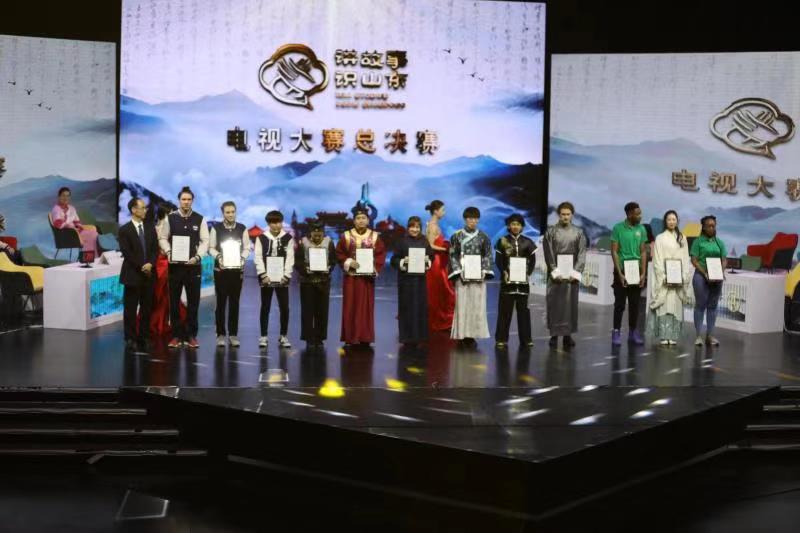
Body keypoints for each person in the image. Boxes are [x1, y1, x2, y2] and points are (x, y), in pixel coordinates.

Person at [158, 186, 209, 349]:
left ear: (192, 201)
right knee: (174, 302)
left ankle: (191, 335)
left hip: (193, 267)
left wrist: (198, 257)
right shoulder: (170, 218)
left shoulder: (200, 219)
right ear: (179, 201)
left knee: (194, 303)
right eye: (183, 199)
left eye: (189, 199)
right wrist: (169, 251)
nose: (186, 202)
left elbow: (205, 241)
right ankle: (176, 336)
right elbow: (163, 238)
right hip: (175, 267)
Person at [336, 207, 387, 345]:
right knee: (350, 306)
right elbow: (339, 253)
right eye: (358, 218)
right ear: (354, 221)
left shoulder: (375, 236)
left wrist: (373, 268)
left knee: (365, 307)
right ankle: (350, 337)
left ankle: (365, 337)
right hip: (351, 278)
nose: (361, 220)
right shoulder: (346, 236)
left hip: (366, 279)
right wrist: (348, 262)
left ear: (368, 220)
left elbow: (380, 255)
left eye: (364, 218)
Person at [542, 202, 587, 348]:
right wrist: (555, 271)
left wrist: (576, 272)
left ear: (572, 215)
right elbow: (548, 253)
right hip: (556, 276)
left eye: (568, 214)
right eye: (563, 214)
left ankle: (568, 335)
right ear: (559, 215)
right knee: (554, 304)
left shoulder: (578, 232)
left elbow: (582, 254)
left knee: (570, 305)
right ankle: (554, 335)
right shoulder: (550, 232)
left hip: (571, 276)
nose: (565, 217)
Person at [448, 206, 494, 346]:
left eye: (475, 219)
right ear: (465, 219)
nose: (472, 221)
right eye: (470, 218)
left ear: (478, 220)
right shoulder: (456, 236)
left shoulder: (484, 237)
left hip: (478, 277)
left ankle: (473, 335)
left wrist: (484, 271)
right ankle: (461, 334)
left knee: (476, 306)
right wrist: (459, 272)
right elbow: (453, 255)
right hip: (462, 277)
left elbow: (488, 255)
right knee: (462, 305)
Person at [208, 201, 250, 348]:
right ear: (223, 213)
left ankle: (233, 334)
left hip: (237, 271)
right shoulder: (216, 228)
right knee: (220, 303)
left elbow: (247, 248)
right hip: (221, 271)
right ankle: (220, 334)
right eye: (227, 212)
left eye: (233, 212)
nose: (231, 214)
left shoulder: (242, 228)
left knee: (234, 302)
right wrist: (219, 257)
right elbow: (211, 248)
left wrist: (242, 258)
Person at [118, 197, 158, 351]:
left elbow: (154, 249)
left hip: (149, 275)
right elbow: (127, 253)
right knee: (130, 308)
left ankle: (144, 336)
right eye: (142, 207)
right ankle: (130, 338)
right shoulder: (124, 230)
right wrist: (142, 265)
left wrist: (150, 264)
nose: (145, 210)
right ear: (134, 210)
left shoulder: (150, 227)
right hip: (133, 274)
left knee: (146, 308)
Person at [648, 210, 691, 345]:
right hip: (665, 277)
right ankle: (663, 335)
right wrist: (664, 276)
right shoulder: (660, 238)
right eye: (669, 219)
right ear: (665, 222)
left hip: (677, 278)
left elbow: (685, 258)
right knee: (665, 305)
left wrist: (682, 276)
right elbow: (657, 259)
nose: (672, 222)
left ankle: (673, 335)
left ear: (677, 221)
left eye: (674, 219)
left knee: (675, 306)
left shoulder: (682, 238)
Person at [494, 213, 536, 348]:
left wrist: (528, 273)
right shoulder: (502, 241)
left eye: (518, 224)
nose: (515, 226)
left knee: (524, 312)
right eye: (513, 224)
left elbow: (533, 261)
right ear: (508, 226)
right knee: (504, 312)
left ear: (522, 226)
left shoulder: (528, 242)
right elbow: (498, 261)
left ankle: (526, 339)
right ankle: (501, 339)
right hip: (507, 283)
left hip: (523, 284)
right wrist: (504, 272)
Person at [254, 210, 294, 348]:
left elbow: (290, 258)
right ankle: (263, 336)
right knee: (265, 307)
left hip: (283, 279)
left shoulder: (288, 238)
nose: (276, 225)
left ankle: (283, 336)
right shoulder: (261, 238)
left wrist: (286, 275)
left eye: (278, 222)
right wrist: (263, 275)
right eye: (273, 223)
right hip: (266, 278)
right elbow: (258, 257)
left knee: (285, 308)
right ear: (268, 223)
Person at [391, 216, 433, 345]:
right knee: (406, 308)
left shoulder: (424, 241)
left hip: (420, 280)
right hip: (406, 281)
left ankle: (420, 336)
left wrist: (427, 260)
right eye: (412, 227)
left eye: (417, 227)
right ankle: (407, 337)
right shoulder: (401, 242)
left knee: (420, 307)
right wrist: (403, 261)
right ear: (408, 228)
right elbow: (393, 260)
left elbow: (431, 256)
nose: (415, 230)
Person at [610, 202, 648, 345]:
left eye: (640, 213)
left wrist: (643, 273)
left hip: (636, 270)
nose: (640, 216)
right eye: (637, 213)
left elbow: (643, 252)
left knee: (635, 304)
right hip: (622, 269)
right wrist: (619, 272)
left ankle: (633, 332)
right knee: (619, 304)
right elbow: (614, 251)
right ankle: (616, 332)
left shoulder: (641, 229)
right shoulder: (618, 228)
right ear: (629, 214)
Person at [295, 221, 336, 347]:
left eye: (320, 234)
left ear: (323, 232)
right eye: (314, 233)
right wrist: (305, 270)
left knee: (322, 311)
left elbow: (333, 260)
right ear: (310, 232)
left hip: (323, 281)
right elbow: (298, 261)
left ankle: (319, 337)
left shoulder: (329, 242)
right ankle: (308, 338)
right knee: (307, 311)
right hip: (307, 281)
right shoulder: (303, 242)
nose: (317, 236)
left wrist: (329, 268)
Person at [690, 215, 727, 346]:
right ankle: (698, 336)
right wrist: (705, 273)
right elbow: (694, 260)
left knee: (712, 306)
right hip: (701, 276)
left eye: (714, 226)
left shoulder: (719, 242)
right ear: (704, 227)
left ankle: (710, 336)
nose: (712, 228)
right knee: (700, 305)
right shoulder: (698, 242)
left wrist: (720, 272)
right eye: (709, 226)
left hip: (716, 278)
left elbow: (724, 259)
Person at [425, 200, 455, 332]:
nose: (444, 212)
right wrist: (446, 249)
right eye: (443, 210)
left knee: (439, 290)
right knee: (441, 290)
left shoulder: (432, 224)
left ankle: (440, 319)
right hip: (436, 262)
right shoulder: (432, 226)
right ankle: (440, 320)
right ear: (436, 211)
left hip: (438, 260)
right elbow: (430, 245)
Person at [50, 187, 99, 257]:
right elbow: (59, 225)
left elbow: (76, 221)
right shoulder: (56, 209)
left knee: (94, 232)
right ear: (59, 197)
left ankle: (92, 257)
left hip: (75, 232)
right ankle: (89, 258)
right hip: (65, 235)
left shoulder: (71, 208)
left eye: (67, 196)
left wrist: (79, 226)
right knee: (92, 235)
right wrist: (70, 223)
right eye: (63, 195)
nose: (65, 198)